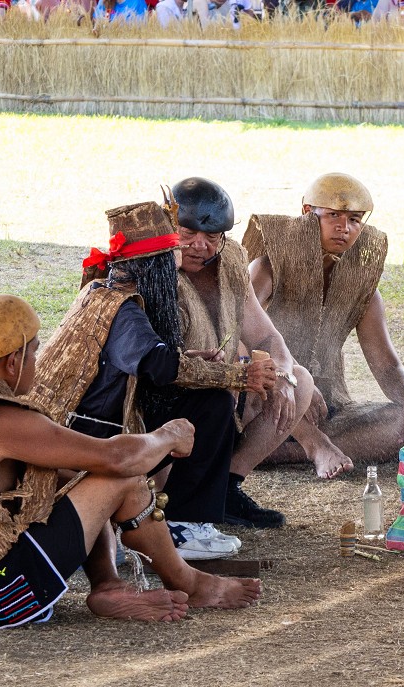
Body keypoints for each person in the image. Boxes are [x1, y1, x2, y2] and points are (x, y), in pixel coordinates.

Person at [0, 294, 262, 627]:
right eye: (34, 352)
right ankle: (188, 582)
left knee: (80, 471)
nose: (37, 361)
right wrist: (167, 436)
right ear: (15, 361)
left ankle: (109, 587)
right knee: (123, 475)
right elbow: (117, 458)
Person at [29, 200, 279, 561]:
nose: (179, 264)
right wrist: (236, 375)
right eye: (171, 258)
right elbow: (158, 365)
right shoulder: (120, 306)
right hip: (89, 433)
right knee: (212, 401)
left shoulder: (115, 292)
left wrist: (188, 361)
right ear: (155, 266)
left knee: (206, 400)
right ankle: (182, 524)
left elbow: (144, 363)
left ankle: (180, 519)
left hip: (97, 422)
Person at [243, 172, 404, 473]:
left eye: (355, 219)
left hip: (328, 407)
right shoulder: (267, 267)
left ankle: (280, 453)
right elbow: (240, 338)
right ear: (308, 213)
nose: (344, 228)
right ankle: (314, 446)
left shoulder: (362, 287)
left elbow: (386, 364)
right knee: (282, 388)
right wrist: (295, 378)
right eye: (333, 216)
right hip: (266, 394)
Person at [171, 178, 319, 505]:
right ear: (170, 225)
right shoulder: (151, 264)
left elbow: (266, 334)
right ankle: (181, 493)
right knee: (220, 393)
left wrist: (280, 376)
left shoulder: (232, 260)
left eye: (212, 237)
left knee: (300, 381)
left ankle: (229, 486)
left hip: (226, 386)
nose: (200, 246)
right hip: (168, 393)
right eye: (188, 234)